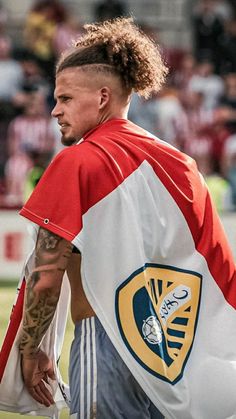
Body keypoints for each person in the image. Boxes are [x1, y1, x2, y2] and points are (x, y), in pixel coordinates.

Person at [14, 17, 236, 419]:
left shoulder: (77, 162)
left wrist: (32, 351)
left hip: (108, 341)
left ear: (101, 97)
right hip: (174, 349)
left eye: (64, 98)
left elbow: (46, 276)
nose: (54, 110)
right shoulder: (182, 164)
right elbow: (215, 265)